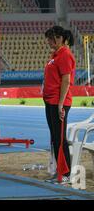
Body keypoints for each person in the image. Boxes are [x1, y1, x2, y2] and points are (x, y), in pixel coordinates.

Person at [43, 26, 76, 184]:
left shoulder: (65, 55)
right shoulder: (55, 55)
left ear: (61, 38)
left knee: (60, 139)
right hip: (50, 101)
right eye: (48, 39)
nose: (49, 42)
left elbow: (66, 80)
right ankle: (59, 172)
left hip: (58, 102)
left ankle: (66, 174)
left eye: (52, 38)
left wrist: (61, 104)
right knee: (55, 138)